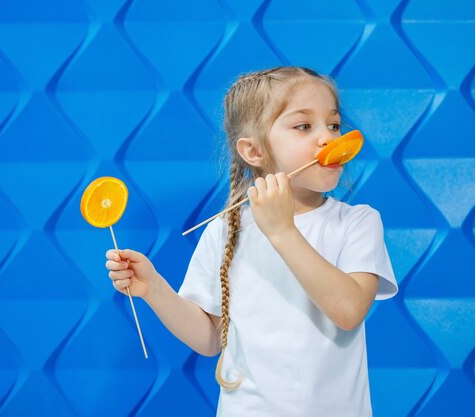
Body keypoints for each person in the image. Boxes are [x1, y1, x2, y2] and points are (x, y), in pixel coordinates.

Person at [105, 66, 398, 417]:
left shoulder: (358, 222)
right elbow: (210, 338)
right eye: (304, 126)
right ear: (254, 151)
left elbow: (349, 311)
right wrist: (153, 288)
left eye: (333, 124)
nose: (328, 138)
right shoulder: (224, 230)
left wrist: (282, 231)